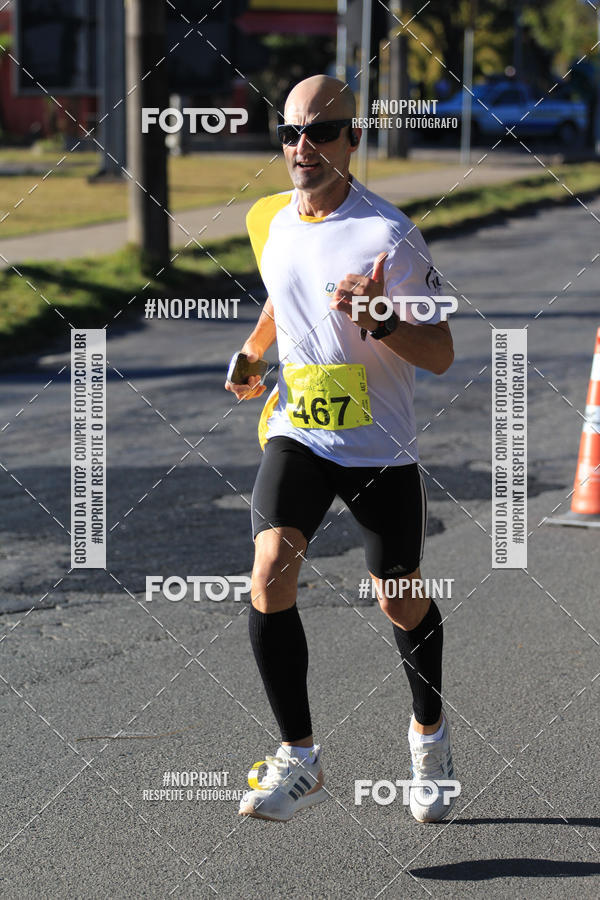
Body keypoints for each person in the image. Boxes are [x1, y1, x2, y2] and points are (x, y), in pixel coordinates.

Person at [225, 75, 456, 824]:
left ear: (353, 140)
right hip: (300, 429)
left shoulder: (387, 235)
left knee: (399, 595)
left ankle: (430, 735)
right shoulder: (268, 218)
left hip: (379, 444)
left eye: (322, 133)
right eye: (291, 132)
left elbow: (443, 351)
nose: (303, 147)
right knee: (269, 570)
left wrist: (383, 319)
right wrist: (254, 352)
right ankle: (299, 757)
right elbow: (277, 289)